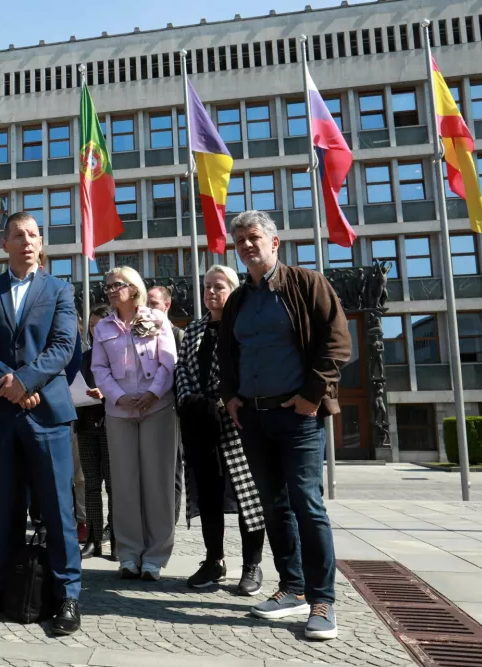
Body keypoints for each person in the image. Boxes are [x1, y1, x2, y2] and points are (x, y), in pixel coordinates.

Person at [219, 210, 351, 641]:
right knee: (273, 506)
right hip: (253, 417)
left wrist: (313, 394)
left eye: (253, 237)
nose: (245, 246)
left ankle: (322, 600)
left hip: (299, 415)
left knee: (307, 504)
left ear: (274, 242)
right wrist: (230, 396)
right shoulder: (238, 300)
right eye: (239, 240)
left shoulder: (307, 284)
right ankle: (292, 588)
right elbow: (227, 354)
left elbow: (337, 342)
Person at [0, 212, 81, 636]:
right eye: (18, 235)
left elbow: (64, 345)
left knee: (57, 507)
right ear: (5, 244)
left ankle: (67, 595)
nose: (27, 241)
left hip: (46, 413)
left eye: (33, 235)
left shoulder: (59, 289)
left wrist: (26, 381)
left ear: (41, 243)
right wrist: (9, 384)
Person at [174, 265, 266, 596]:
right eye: (207, 287)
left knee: (247, 494)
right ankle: (214, 560)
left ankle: (252, 564)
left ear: (233, 289)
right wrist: (191, 400)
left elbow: (248, 368)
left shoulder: (243, 325)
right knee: (208, 494)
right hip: (200, 423)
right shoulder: (195, 328)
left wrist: (221, 400)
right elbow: (181, 368)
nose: (211, 292)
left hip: (236, 421)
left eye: (219, 286)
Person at [91, 267, 177, 582]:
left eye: (116, 285)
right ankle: (128, 556)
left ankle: (154, 558)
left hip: (158, 408)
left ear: (134, 287)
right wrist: (118, 396)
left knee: (158, 484)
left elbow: (169, 362)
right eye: (107, 286)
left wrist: (153, 393)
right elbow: (99, 368)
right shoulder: (103, 327)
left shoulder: (157, 319)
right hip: (119, 411)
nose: (110, 290)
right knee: (124, 485)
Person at [75, 304, 113, 560]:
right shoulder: (84, 357)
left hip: (111, 424)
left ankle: (117, 537)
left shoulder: (117, 354)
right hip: (86, 423)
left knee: (113, 485)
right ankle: (93, 538)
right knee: (90, 484)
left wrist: (106, 393)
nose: (94, 331)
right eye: (91, 326)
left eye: (99, 326)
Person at [146, 285, 186, 526]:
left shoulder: (179, 336)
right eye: (146, 304)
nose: (148, 309)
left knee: (173, 468)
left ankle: (169, 523)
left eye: (153, 304)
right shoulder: (142, 335)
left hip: (173, 412)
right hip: (147, 411)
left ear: (166, 306)